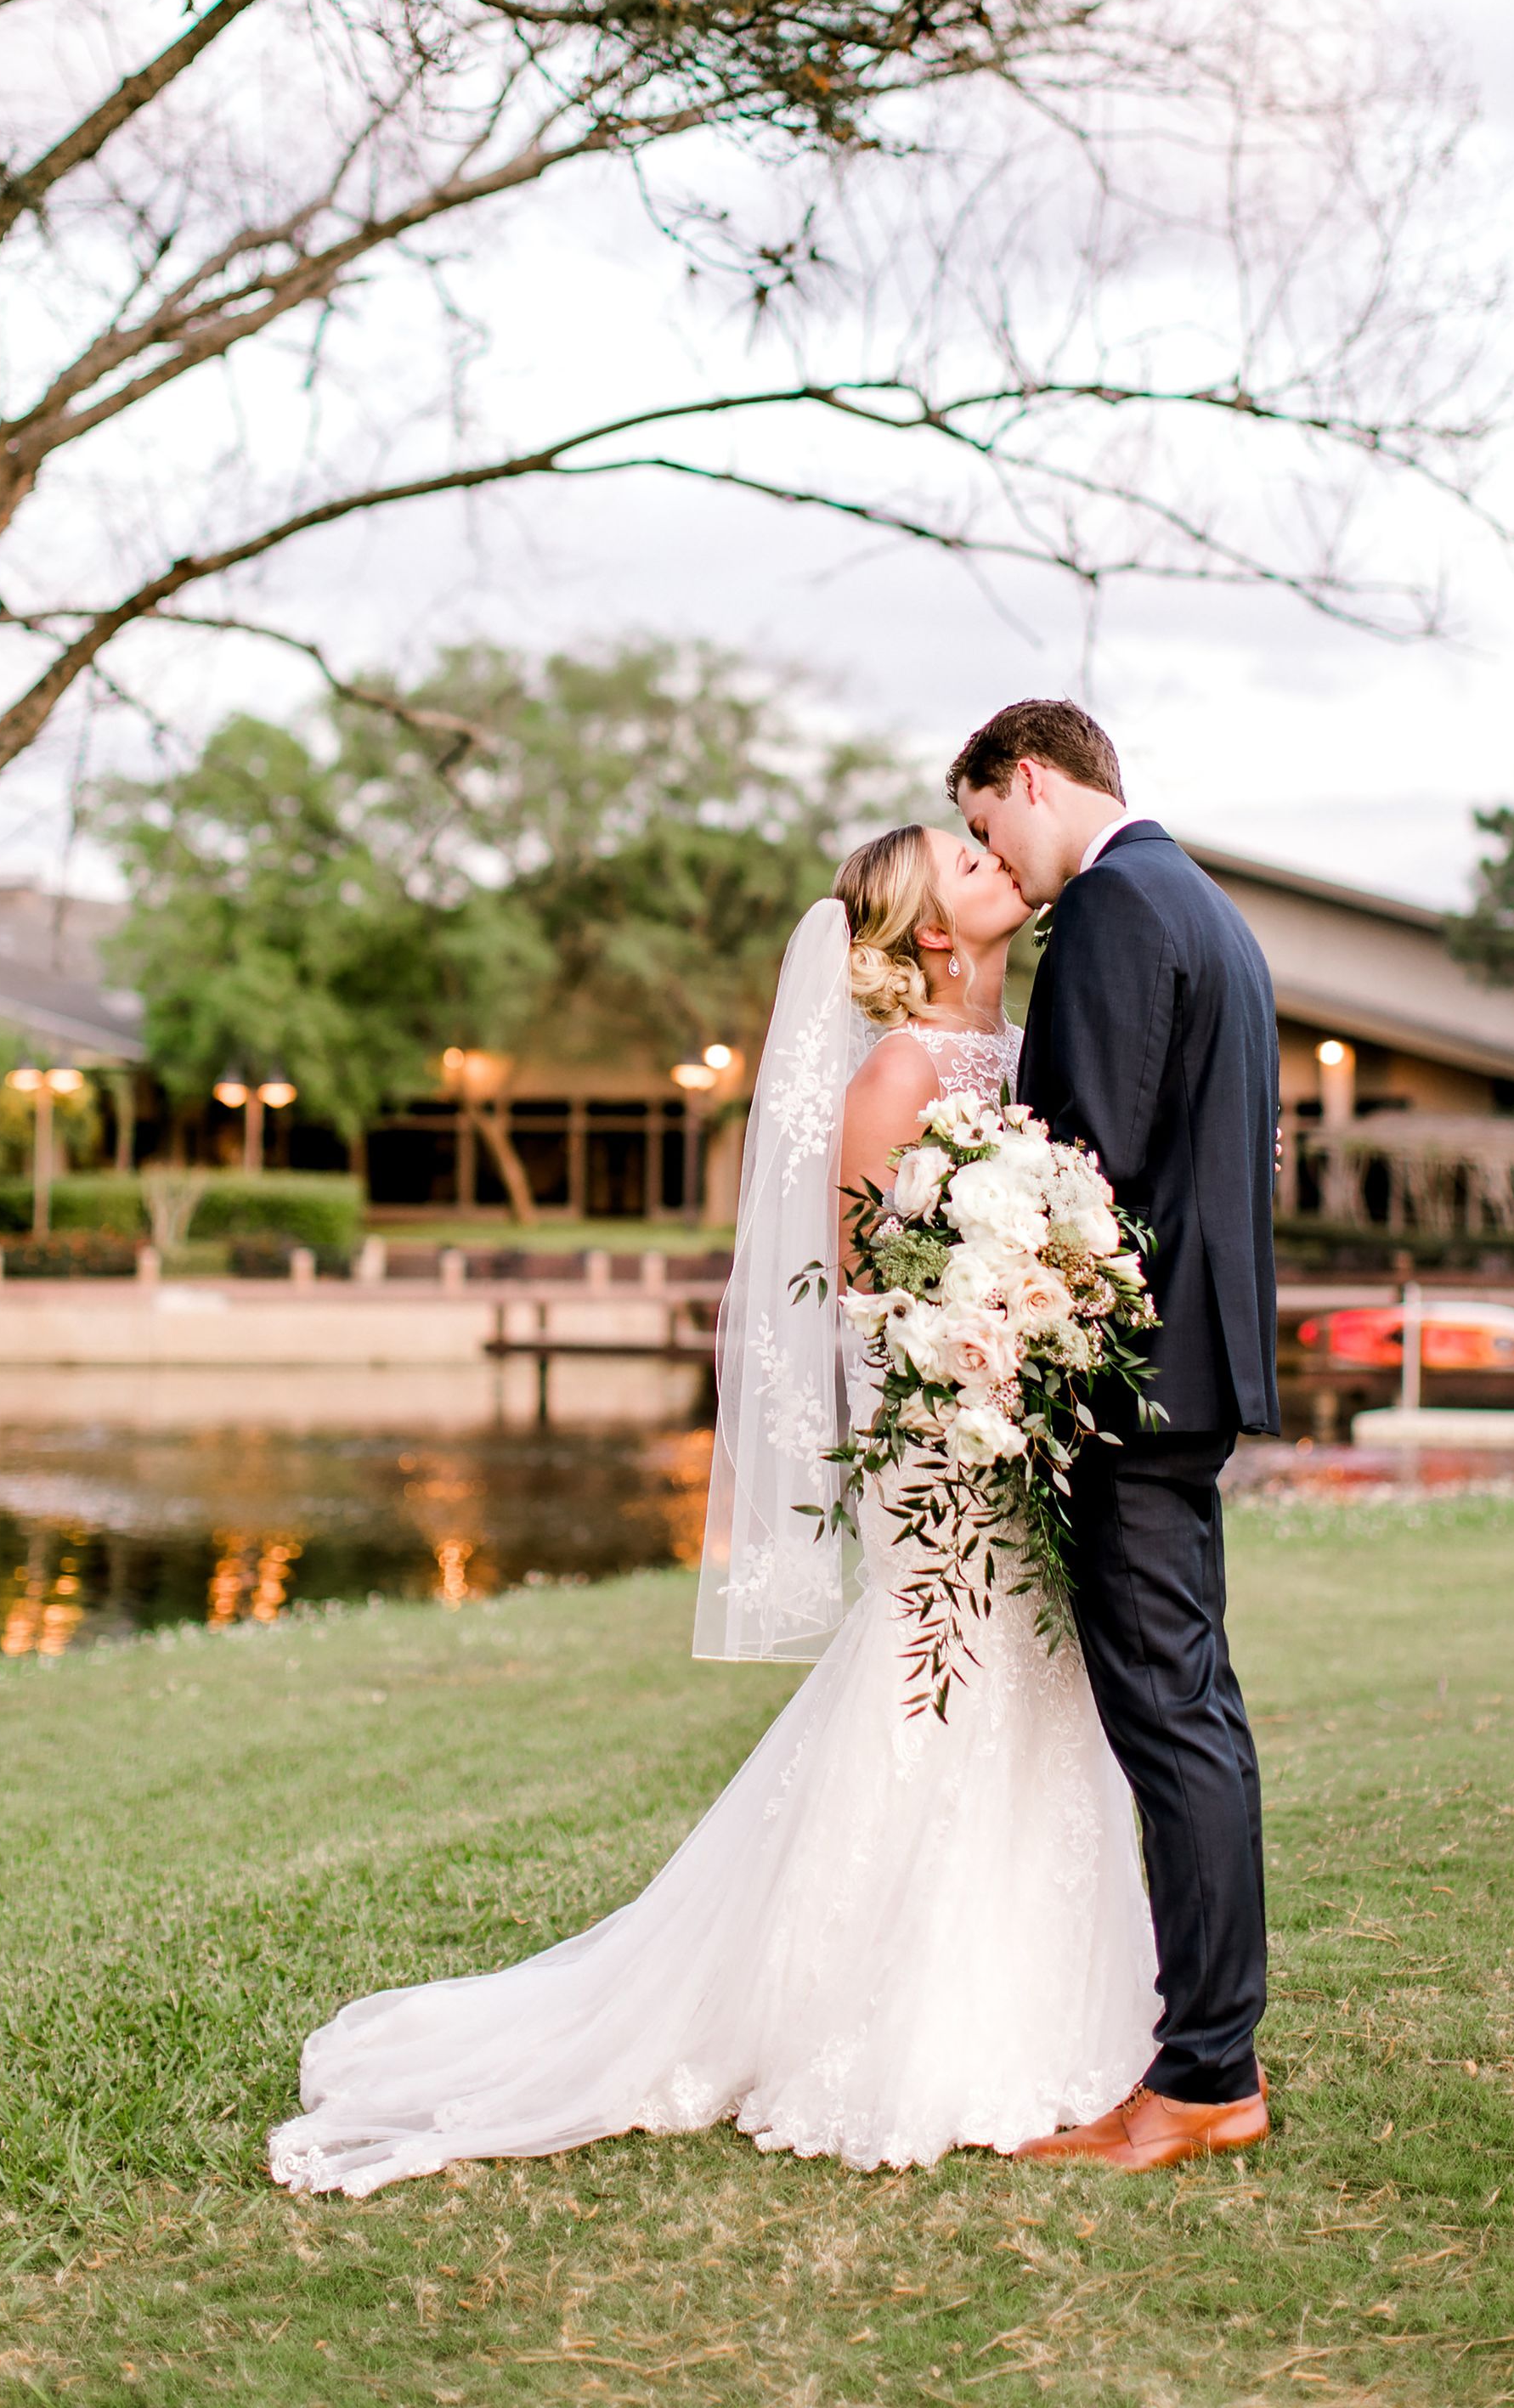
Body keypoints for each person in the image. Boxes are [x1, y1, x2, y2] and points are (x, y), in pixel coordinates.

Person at [268, 821, 1157, 2195]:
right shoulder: (898, 1072)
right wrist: (975, 1337)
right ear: (933, 930)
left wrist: (1055, 1305)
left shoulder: (1030, 1047)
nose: (998, 861)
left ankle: (1057, 2000)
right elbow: (861, 1288)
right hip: (938, 1435)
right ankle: (870, 2017)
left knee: (1036, 1683)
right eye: (968, 861)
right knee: (935, 1675)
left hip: (1019, 1426)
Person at [952, 697, 1279, 2174]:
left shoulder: (1108, 910)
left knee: (1172, 1714)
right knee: (1192, 1704)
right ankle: (1212, 2050)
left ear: (1030, 779)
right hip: (1193, 1371)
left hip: (1130, 1386)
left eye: (988, 828)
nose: (1000, 869)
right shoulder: (1205, 907)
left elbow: (1077, 1168)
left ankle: (1205, 2076)